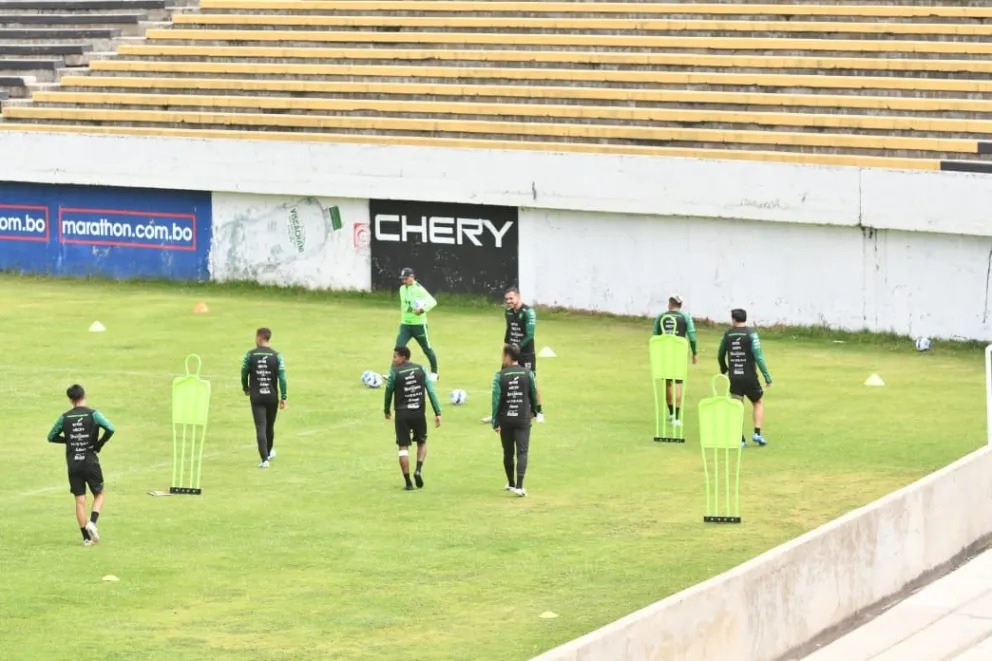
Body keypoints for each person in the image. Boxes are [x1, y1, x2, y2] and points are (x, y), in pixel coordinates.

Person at [47, 384, 115, 546]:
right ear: (85, 395)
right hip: (90, 461)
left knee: (79, 501)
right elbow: (110, 429)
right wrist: (99, 444)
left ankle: (86, 538)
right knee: (99, 494)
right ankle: (92, 522)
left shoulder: (65, 417)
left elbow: (51, 436)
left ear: (71, 400)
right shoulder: (94, 414)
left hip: (73, 463)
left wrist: (69, 440)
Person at [384, 345, 442, 491]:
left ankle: (408, 482)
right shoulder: (421, 369)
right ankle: (418, 469)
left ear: (403, 357)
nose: (393, 359)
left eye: (395, 356)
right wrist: (437, 412)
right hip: (418, 413)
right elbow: (431, 391)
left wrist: (386, 409)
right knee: (422, 442)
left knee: (403, 447)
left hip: (402, 414)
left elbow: (388, 390)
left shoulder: (395, 372)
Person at [483, 287, 544, 424]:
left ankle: (538, 412)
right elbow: (509, 330)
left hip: (526, 353)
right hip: (511, 352)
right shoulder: (508, 312)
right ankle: (497, 414)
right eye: (507, 299)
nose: (509, 301)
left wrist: (517, 347)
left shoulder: (529, 312)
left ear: (518, 297)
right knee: (503, 380)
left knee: (532, 381)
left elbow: (530, 335)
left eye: (511, 298)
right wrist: (505, 347)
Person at [491, 343, 543, 497]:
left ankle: (511, 483)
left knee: (508, 452)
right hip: (522, 418)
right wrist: (536, 410)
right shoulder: (528, 374)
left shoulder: (499, 376)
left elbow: (496, 400)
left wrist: (495, 421)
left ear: (507, 356)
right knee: (522, 451)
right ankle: (519, 486)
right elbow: (533, 393)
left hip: (506, 419)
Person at [717, 308, 773, 448]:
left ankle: (741, 439)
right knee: (758, 402)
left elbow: (720, 354)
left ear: (734, 320)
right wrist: (767, 376)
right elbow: (758, 356)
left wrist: (724, 368)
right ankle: (757, 433)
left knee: (737, 408)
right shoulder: (751, 334)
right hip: (749, 377)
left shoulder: (728, 334)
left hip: (734, 377)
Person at [241, 327, 287, 468]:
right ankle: (268, 453)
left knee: (260, 426)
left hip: (256, 397)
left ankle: (264, 459)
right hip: (271, 396)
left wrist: (245, 388)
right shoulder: (277, 356)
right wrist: (284, 396)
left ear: (260, 338)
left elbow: (243, 373)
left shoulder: (249, 355)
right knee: (269, 426)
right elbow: (282, 378)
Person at [653, 294, 698, 427]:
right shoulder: (686, 317)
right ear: (680, 305)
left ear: (670, 304)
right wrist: (694, 353)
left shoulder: (661, 316)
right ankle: (677, 418)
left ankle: (671, 412)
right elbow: (692, 336)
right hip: (679, 353)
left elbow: (655, 337)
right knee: (678, 383)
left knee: (668, 383)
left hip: (665, 353)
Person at [396, 267, 439, 381]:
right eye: (402, 279)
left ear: (412, 277)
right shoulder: (401, 289)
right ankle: (395, 373)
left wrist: (421, 310)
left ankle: (434, 373)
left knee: (427, 349)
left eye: (406, 279)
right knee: (398, 348)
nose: (404, 281)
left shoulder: (419, 289)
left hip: (419, 325)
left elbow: (432, 302)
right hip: (405, 324)